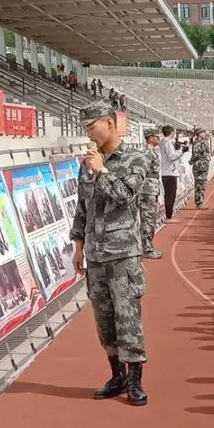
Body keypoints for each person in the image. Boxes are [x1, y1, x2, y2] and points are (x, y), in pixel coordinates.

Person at [69, 100, 149, 407]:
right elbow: (81, 207)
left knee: (128, 320)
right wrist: (78, 246)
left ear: (110, 123)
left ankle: (135, 380)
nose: (89, 133)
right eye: (86, 128)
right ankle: (116, 375)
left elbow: (125, 198)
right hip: (95, 256)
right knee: (105, 321)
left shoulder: (135, 158)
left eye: (92, 126)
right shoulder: (87, 163)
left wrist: (102, 172)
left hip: (122, 256)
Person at [140, 128, 164, 259]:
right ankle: (147, 249)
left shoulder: (151, 152)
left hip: (151, 188)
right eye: (156, 137)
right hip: (147, 190)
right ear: (150, 138)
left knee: (149, 219)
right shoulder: (147, 152)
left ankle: (147, 247)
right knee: (148, 220)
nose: (158, 139)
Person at [159, 125, 186, 223]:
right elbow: (171, 156)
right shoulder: (168, 143)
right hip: (170, 172)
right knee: (170, 195)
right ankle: (169, 217)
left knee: (168, 194)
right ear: (171, 133)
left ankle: (169, 214)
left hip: (165, 171)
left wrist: (177, 150)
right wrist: (181, 151)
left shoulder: (162, 142)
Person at [189, 130, 211, 209]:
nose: (205, 134)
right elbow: (196, 155)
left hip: (204, 166)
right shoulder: (197, 143)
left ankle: (201, 201)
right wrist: (192, 161)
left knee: (203, 185)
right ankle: (199, 203)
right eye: (203, 132)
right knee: (199, 185)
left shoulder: (204, 142)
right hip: (199, 167)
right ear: (199, 134)